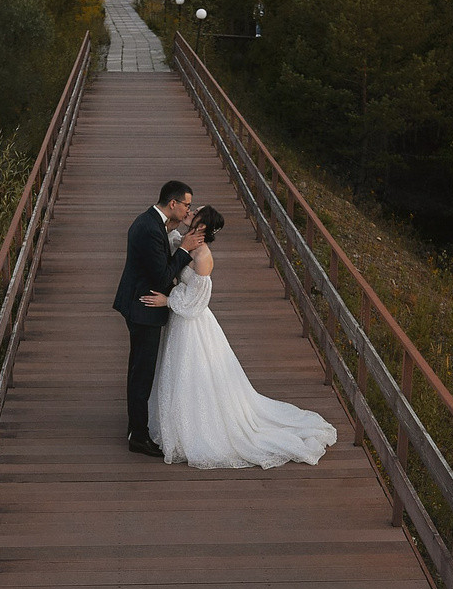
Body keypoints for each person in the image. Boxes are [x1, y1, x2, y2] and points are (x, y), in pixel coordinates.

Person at [147, 205, 338, 468]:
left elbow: (196, 302)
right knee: (179, 373)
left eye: (195, 212)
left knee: (192, 374)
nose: (190, 212)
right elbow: (172, 247)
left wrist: (167, 300)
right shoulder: (187, 243)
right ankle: (176, 422)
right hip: (180, 322)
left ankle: (196, 428)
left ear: (202, 226)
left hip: (191, 323)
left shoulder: (203, 256)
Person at [111, 180, 206, 456]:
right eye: (186, 204)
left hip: (139, 304)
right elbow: (163, 277)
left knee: (138, 371)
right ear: (173, 203)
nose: (189, 209)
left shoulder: (153, 222)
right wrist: (185, 249)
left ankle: (135, 427)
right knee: (142, 374)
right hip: (144, 309)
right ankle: (138, 437)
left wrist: (177, 231)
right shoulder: (151, 230)